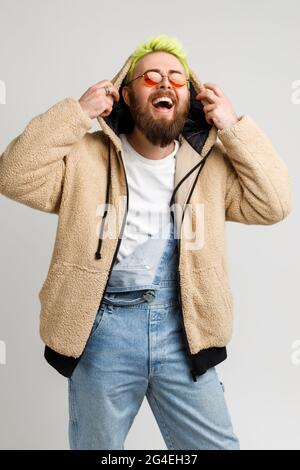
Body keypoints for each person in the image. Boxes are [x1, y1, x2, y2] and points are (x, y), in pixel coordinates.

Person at [0, 34, 292, 450]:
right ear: (124, 94)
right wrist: (76, 113)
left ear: (190, 98)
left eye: (176, 78)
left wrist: (233, 127)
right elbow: (12, 175)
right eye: (151, 76)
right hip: (102, 330)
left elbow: (276, 204)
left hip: (185, 328)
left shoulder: (209, 166)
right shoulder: (84, 156)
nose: (165, 83)